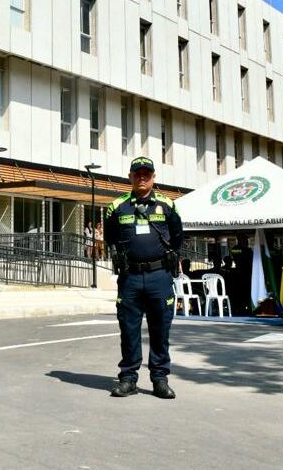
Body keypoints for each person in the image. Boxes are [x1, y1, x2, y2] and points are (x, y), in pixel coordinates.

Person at [103, 156, 183, 400]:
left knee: (160, 330)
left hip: (160, 275)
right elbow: (110, 238)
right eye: (137, 173)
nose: (142, 177)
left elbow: (178, 237)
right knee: (129, 330)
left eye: (146, 173)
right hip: (130, 278)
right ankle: (128, 378)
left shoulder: (168, 205)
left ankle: (159, 379)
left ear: (153, 177)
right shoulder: (116, 207)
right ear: (130, 177)